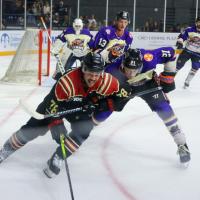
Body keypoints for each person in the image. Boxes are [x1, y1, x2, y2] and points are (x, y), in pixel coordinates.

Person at [0, 52, 130, 178]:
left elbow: (122, 95)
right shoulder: (67, 82)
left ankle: (58, 157)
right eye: (90, 73)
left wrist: (108, 103)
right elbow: (52, 106)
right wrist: (56, 124)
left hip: (80, 108)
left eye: (97, 74)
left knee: (83, 131)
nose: (93, 77)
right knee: (32, 129)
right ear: (83, 69)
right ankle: (6, 149)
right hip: (56, 105)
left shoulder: (107, 82)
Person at [93, 47, 191, 164]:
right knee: (106, 108)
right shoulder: (113, 67)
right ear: (122, 63)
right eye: (128, 69)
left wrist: (168, 75)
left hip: (148, 84)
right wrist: (98, 98)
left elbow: (171, 52)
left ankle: (182, 143)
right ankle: (85, 127)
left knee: (164, 108)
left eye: (135, 70)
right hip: (123, 86)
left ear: (141, 64)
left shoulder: (149, 57)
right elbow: (98, 81)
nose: (131, 74)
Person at [176, 16, 200, 89]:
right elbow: (182, 36)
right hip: (187, 51)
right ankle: (170, 78)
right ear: (196, 22)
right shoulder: (189, 29)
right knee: (178, 65)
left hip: (198, 54)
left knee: (195, 67)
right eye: (199, 22)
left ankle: (187, 82)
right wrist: (180, 42)